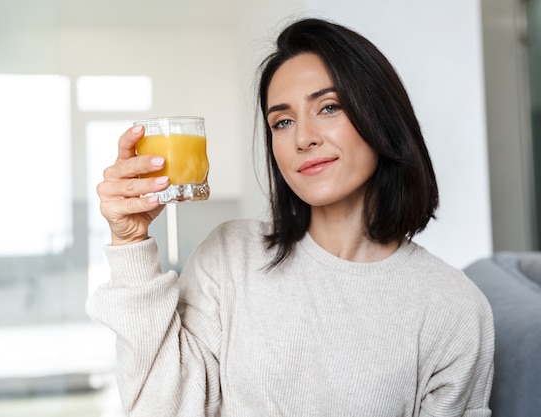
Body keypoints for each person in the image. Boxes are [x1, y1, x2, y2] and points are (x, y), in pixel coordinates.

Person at [88, 17, 495, 417]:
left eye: (329, 107)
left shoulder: (453, 308)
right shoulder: (230, 256)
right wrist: (131, 243)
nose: (303, 138)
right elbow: (163, 410)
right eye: (282, 122)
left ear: (381, 118)